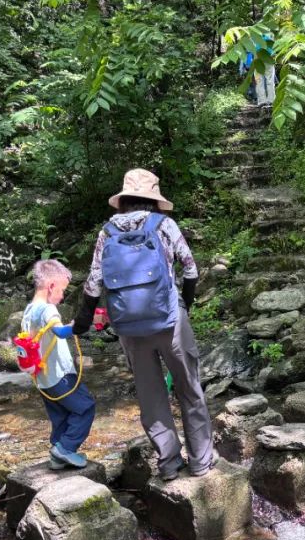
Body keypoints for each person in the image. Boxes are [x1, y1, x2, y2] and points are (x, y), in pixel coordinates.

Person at [73, 168, 215, 480]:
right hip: (170, 321)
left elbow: (94, 284)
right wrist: (184, 305)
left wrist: (81, 323)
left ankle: (168, 462)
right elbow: (190, 269)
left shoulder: (107, 232)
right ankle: (201, 460)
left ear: (123, 200)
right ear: (153, 198)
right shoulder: (164, 224)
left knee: (150, 395)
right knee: (189, 388)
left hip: (128, 327)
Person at [22, 259, 96, 469]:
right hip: (60, 375)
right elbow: (60, 332)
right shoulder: (47, 310)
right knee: (85, 408)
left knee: (61, 415)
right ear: (51, 286)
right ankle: (65, 448)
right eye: (62, 290)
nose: (63, 296)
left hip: (43, 379)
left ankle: (57, 454)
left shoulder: (29, 311)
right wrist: (79, 324)